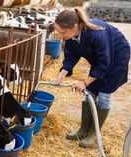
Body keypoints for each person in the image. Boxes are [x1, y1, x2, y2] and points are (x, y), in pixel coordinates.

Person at [55, 8, 130, 148]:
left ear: (75, 27)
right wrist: (64, 71)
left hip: (118, 55)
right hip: (102, 58)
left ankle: (94, 133)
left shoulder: (96, 33)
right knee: (90, 92)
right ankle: (83, 130)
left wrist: (84, 82)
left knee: (103, 94)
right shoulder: (71, 36)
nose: (61, 35)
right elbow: (71, 54)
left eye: (62, 32)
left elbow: (104, 63)